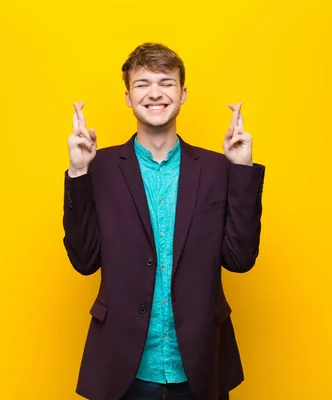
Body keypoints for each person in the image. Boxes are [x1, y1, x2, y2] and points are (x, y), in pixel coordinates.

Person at [63, 42, 265, 400]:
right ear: (127, 97)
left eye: (166, 82)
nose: (155, 93)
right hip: (123, 367)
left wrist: (242, 170)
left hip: (200, 364)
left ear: (183, 94)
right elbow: (83, 260)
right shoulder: (100, 167)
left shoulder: (218, 168)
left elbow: (240, 259)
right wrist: (79, 172)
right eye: (142, 84)